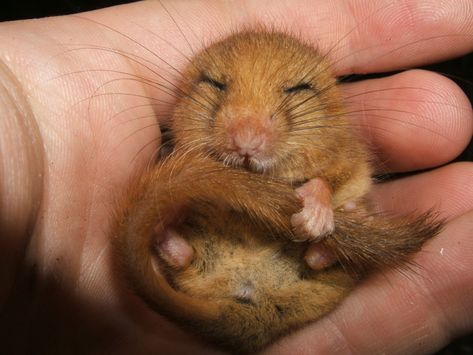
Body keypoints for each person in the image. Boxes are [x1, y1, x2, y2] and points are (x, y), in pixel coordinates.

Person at [0, 0, 472, 353]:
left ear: (331, 106)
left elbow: (351, 176)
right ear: (185, 99)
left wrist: (322, 193)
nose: (247, 135)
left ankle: (304, 253)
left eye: (296, 89)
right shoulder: (182, 155)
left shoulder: (336, 149)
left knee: (341, 214)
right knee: (186, 206)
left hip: (297, 293)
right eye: (217, 85)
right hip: (212, 278)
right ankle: (184, 256)